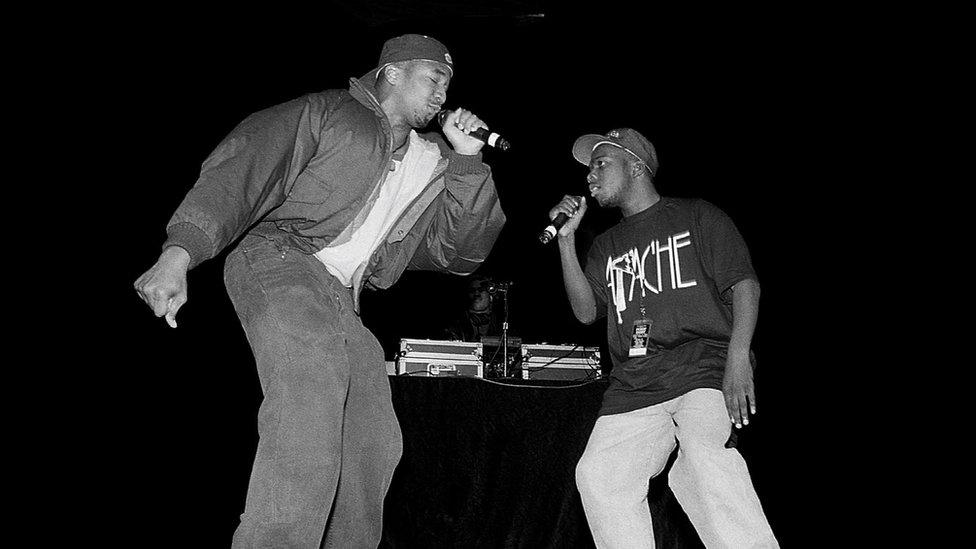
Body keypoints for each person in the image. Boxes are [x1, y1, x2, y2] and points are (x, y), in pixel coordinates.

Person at [133, 34, 505, 548]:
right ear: (392, 72)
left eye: (449, 82)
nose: (445, 92)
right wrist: (180, 252)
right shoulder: (332, 113)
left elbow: (459, 252)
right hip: (279, 259)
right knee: (310, 390)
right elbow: (248, 165)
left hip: (342, 298)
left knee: (371, 440)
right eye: (434, 77)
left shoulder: (434, 161)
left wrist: (467, 161)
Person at [549, 128, 778, 547]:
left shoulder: (697, 216)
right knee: (599, 475)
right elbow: (586, 312)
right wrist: (566, 242)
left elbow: (745, 285)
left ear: (635, 166)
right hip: (635, 383)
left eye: (601, 163)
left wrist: (738, 358)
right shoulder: (604, 245)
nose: (589, 175)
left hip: (703, 369)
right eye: (589, 168)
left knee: (701, 459)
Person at [441, 275, 500, 342]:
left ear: (491, 295)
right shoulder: (456, 323)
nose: (476, 293)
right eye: (472, 290)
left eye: (481, 290)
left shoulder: (501, 322)